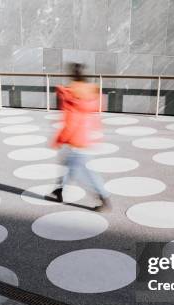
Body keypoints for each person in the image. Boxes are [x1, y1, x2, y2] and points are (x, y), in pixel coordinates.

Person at [49, 63, 111, 211]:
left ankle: (103, 197)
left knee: (85, 172)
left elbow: (71, 122)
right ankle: (59, 190)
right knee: (68, 164)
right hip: (85, 136)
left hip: (75, 138)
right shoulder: (89, 92)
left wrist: (60, 138)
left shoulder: (72, 94)